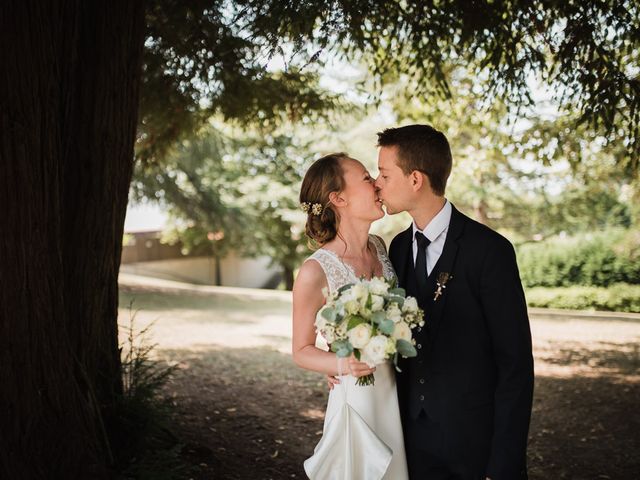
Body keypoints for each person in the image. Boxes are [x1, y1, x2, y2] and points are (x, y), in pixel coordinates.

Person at [373, 124, 535, 479]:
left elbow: (515, 365)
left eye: (384, 173)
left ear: (415, 179)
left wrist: (503, 463)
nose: (377, 183)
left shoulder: (490, 251)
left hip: (475, 444)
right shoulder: (396, 248)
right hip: (410, 441)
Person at [292, 152, 409, 479]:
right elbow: (301, 350)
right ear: (338, 198)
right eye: (365, 178)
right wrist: (340, 364)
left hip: (397, 391)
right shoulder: (315, 271)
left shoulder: (379, 246)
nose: (375, 184)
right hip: (357, 398)